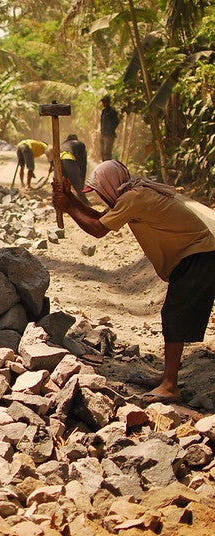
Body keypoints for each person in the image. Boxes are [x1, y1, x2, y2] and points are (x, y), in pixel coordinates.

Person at [53, 160, 215, 404]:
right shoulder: (133, 195)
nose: (100, 199)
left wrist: (69, 207)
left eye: (99, 193)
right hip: (194, 255)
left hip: (198, 255)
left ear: (110, 186)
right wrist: (70, 199)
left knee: (175, 313)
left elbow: (97, 229)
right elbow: (100, 217)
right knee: (174, 313)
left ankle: (170, 385)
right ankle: (167, 378)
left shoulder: (134, 198)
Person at [47, 135, 90, 205]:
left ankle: (56, 202)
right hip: (68, 159)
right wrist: (81, 180)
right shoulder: (79, 144)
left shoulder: (63, 144)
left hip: (58, 161)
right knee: (77, 182)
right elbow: (83, 164)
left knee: (59, 183)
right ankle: (84, 202)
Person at [99, 95, 119, 161]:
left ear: (108, 102)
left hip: (109, 135)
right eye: (103, 102)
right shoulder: (103, 111)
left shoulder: (112, 112)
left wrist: (110, 130)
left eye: (105, 102)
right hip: (103, 134)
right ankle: (104, 164)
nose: (104, 104)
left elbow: (116, 122)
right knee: (102, 151)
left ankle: (107, 165)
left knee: (107, 152)